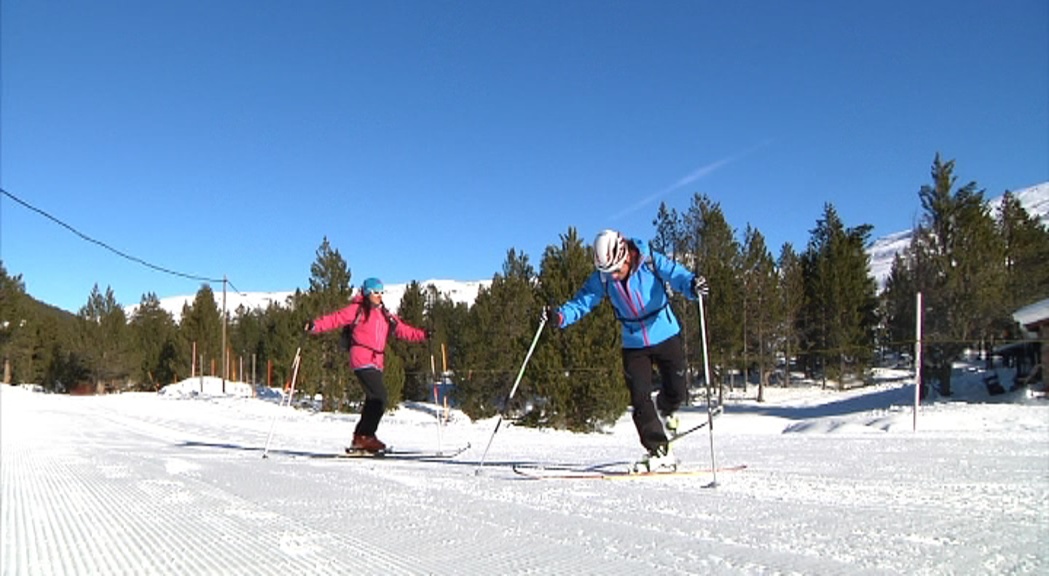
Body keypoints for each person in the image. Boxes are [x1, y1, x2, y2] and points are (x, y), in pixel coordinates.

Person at [543, 229, 708, 471]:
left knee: (677, 389)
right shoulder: (603, 278)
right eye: (608, 273)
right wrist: (559, 317)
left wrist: (692, 285)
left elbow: (676, 275)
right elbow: (582, 302)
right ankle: (658, 449)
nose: (614, 277)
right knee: (639, 397)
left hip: (665, 333)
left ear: (626, 256)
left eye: (616, 270)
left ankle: (667, 411)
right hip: (633, 343)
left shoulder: (650, 260)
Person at [306, 277, 429, 454]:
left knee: (374, 399)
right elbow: (336, 319)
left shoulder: (385, 314)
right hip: (362, 357)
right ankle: (365, 436)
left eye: (381, 292)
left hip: (376, 361)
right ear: (366, 293)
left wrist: (423, 334)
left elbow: (402, 330)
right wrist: (315, 326)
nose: (379, 296)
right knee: (380, 397)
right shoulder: (358, 310)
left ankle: (361, 437)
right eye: (375, 292)